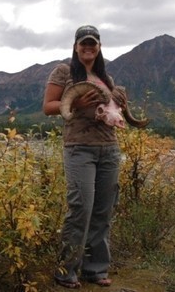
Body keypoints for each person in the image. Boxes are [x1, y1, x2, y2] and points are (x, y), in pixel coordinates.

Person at [43, 25, 127, 289]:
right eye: (84, 43)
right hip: (79, 148)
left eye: (93, 43)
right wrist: (75, 104)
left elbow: (110, 109)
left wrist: (120, 104)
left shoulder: (106, 77)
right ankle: (66, 270)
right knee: (81, 209)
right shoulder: (64, 71)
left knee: (103, 211)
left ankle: (95, 269)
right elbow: (48, 107)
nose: (88, 47)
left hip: (109, 148)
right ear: (76, 46)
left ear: (99, 47)